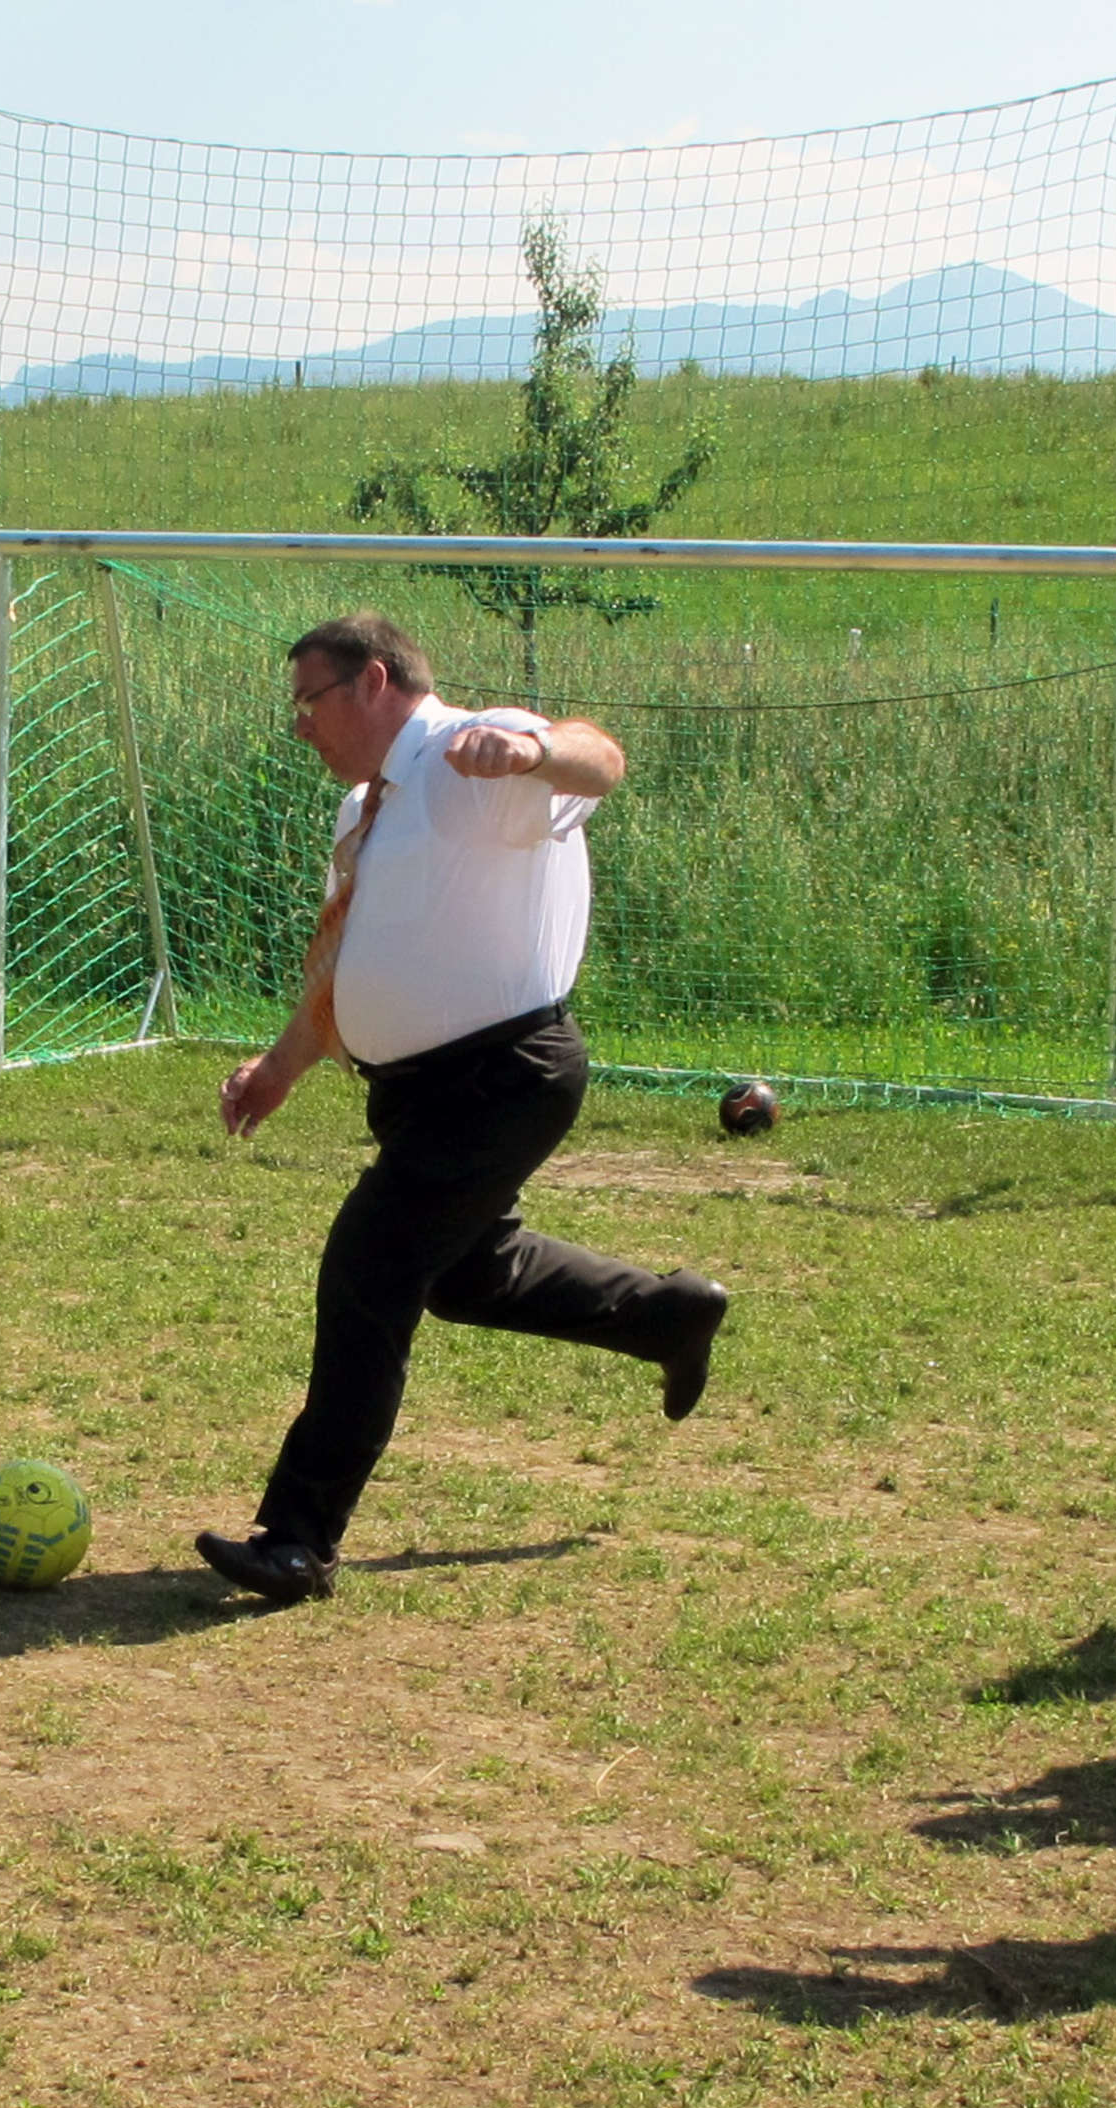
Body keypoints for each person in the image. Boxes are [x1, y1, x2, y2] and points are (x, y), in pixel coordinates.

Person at [195, 613, 729, 1606]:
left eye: (309, 702)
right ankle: (665, 1316)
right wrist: (279, 1069)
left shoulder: (468, 753)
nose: (300, 726)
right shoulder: (364, 808)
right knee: (469, 1273)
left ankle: (298, 1539)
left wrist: (533, 751)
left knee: (370, 1269)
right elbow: (350, 967)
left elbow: (601, 759)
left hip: (503, 1073)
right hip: (420, 1094)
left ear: (374, 681)